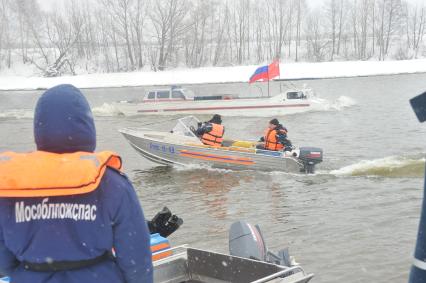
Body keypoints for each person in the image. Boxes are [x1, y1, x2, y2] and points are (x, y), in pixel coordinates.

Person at [0, 84, 153, 283]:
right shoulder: (112, 183)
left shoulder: (10, 187)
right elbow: (136, 257)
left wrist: (28, 272)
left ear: (39, 127)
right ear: (87, 126)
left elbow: (3, 258)